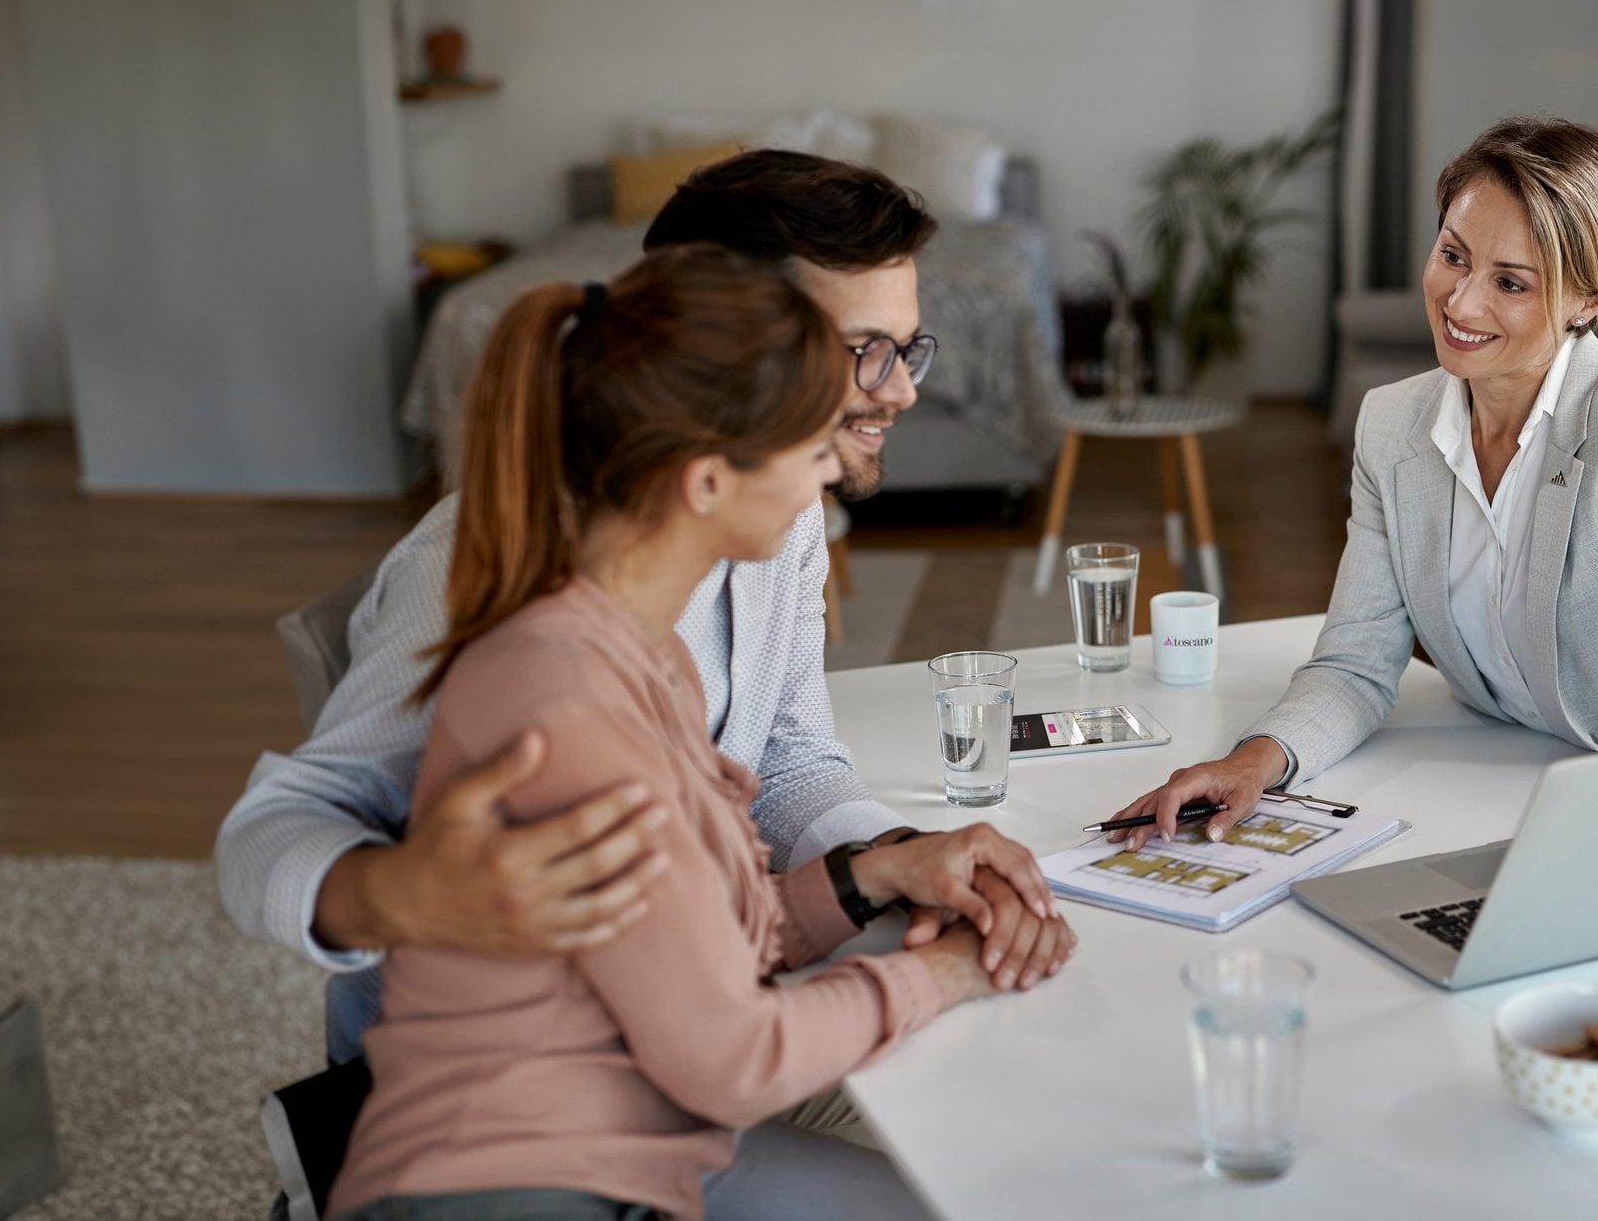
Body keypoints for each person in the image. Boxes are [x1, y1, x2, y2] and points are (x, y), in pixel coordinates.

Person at [216, 152, 1063, 1068]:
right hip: (494, 1079)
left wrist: (900, 856)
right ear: (721, 341)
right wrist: (410, 893)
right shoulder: (490, 569)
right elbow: (272, 831)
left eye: (907, 348)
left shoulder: (781, 519)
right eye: (862, 351)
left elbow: (788, 757)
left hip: (682, 1003)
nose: (900, 389)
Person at [327, 248, 1023, 1221]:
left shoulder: (651, 656)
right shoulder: (563, 698)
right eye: (804, 445)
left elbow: (698, 942)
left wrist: (874, 871)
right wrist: (939, 974)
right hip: (518, 1180)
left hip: (642, 1130)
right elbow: (732, 1054)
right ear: (705, 480)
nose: (830, 464)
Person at [1112, 117, 1598, 846]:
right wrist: (1251, 764)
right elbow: (1356, 665)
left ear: (1587, 302)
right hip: (1500, 791)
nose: (1461, 303)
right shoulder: (1391, 426)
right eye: (1453, 256)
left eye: (1511, 283)